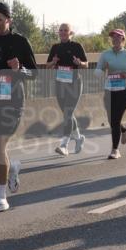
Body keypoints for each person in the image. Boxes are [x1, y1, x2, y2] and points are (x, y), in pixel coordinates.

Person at [0, 1, 38, 212]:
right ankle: (11, 170)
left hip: (12, 102)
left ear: (8, 20)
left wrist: (19, 69)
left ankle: (1, 196)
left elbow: (34, 74)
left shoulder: (20, 42)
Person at [96, 29, 126, 160]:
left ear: (123, 39)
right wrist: (103, 69)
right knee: (112, 120)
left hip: (124, 90)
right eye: (113, 37)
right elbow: (98, 71)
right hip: (109, 90)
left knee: (115, 120)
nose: (115, 39)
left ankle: (115, 150)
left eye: (118, 37)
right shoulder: (105, 54)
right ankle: (123, 130)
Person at [45, 23, 88, 156]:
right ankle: (79, 138)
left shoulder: (76, 46)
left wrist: (79, 63)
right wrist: (54, 61)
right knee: (68, 114)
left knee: (68, 113)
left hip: (74, 83)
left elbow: (86, 64)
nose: (63, 32)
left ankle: (64, 145)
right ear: (58, 32)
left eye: (65, 30)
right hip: (60, 84)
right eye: (61, 30)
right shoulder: (55, 47)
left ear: (70, 33)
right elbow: (47, 66)